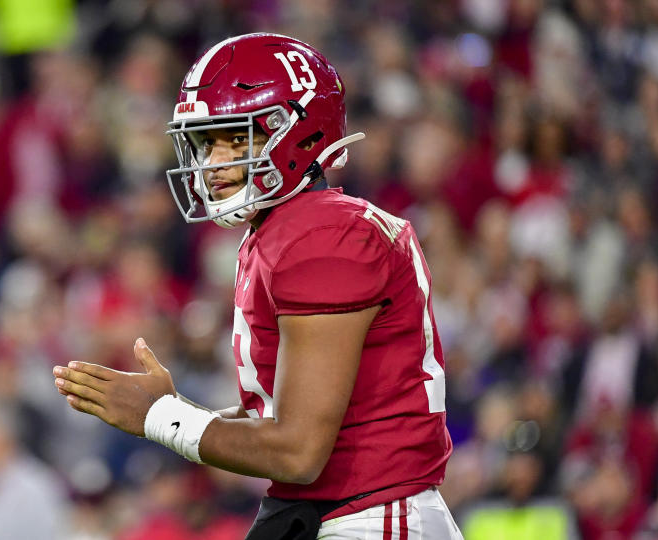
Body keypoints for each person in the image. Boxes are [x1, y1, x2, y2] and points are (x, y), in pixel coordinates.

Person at [53, 33, 462, 539]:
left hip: (370, 516)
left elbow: (297, 451)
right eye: (205, 142)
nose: (211, 163)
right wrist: (172, 410)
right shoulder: (287, 228)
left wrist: (161, 417)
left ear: (297, 135)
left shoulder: (323, 235)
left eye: (235, 139)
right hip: (334, 512)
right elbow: (277, 414)